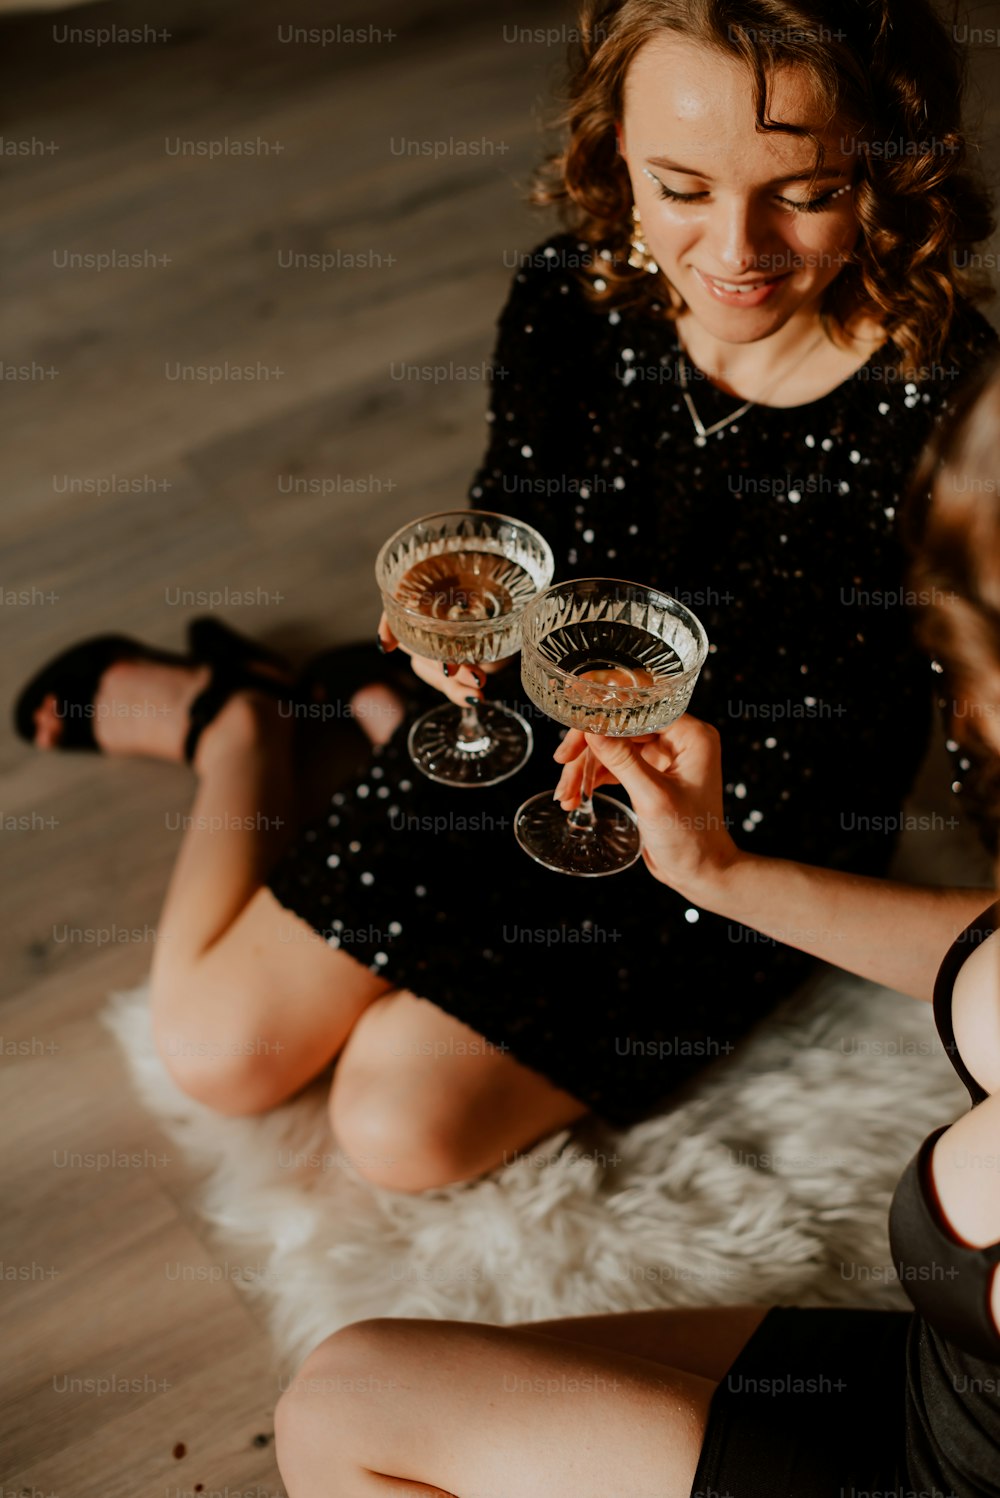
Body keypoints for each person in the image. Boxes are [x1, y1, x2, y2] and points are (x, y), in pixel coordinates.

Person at [13, 0, 997, 1192]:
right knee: (216, 1049)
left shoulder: (958, 416)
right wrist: (470, 612)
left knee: (401, 1130)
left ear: (894, 171)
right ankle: (242, 724)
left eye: (804, 192)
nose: (737, 249)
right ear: (613, 153)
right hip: (525, 724)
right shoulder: (570, 295)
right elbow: (515, 517)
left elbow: (967, 727)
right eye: (681, 187)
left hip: (742, 825)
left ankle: (335, 719)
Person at [269, 345, 1000, 1498]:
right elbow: (984, 962)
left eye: (967, 660)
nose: (961, 714)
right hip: (935, 1377)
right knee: (361, 1369)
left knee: (346, 1404)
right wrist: (717, 870)